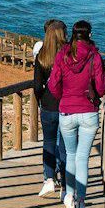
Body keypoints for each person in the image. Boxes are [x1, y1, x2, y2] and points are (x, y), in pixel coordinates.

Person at [46, 19, 105, 208]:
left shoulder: (62, 55)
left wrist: (64, 98)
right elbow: (101, 88)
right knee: (82, 158)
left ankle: (69, 195)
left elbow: (53, 84)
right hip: (88, 112)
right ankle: (81, 201)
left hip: (67, 112)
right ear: (89, 34)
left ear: (72, 34)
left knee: (70, 156)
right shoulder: (95, 57)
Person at [31, 19, 68, 197]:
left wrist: (40, 101)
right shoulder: (70, 55)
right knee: (65, 146)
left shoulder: (42, 56)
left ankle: (49, 179)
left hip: (47, 105)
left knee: (48, 143)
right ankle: (65, 184)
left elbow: (37, 86)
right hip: (67, 104)